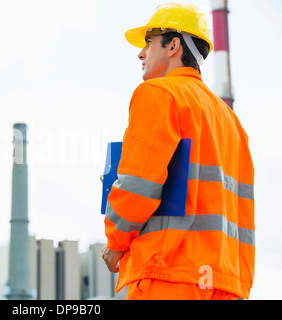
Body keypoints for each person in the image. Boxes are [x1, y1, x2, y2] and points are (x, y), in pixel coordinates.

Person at [102, 3, 255, 300]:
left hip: (170, 275)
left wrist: (116, 241)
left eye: (149, 42)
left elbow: (138, 185)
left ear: (173, 45)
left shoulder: (160, 94)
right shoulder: (232, 122)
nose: (141, 53)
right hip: (225, 282)